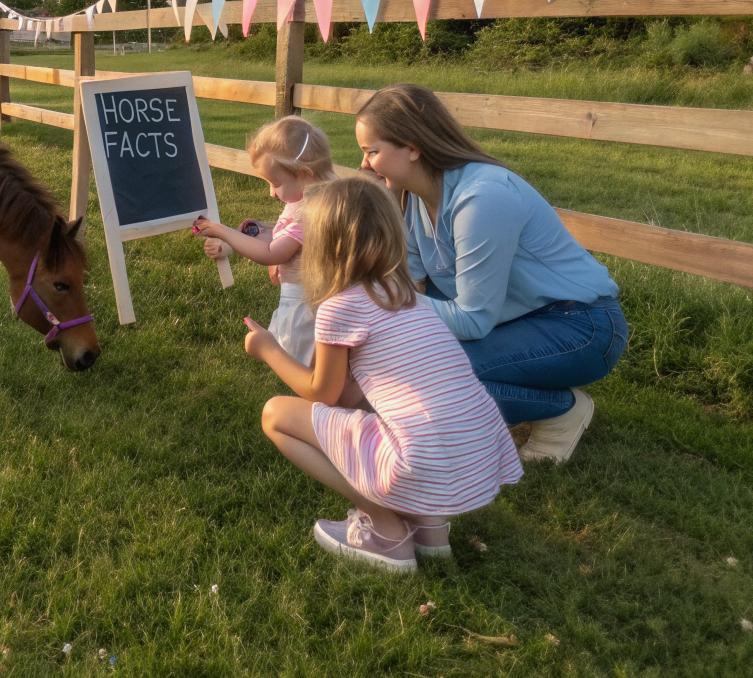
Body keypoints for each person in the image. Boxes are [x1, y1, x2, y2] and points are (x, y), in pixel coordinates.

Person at [245, 176, 522, 572]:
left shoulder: (340, 306)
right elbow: (349, 395)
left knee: (275, 415)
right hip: (473, 452)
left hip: (419, 460)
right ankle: (430, 530)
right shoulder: (408, 295)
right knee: (388, 411)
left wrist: (269, 348)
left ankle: (386, 529)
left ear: (322, 246)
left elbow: (322, 393)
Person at [354, 83, 629, 464]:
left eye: (372, 152)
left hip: (581, 326)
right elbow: (415, 287)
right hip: (516, 323)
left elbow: (470, 320)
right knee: (407, 362)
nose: (364, 164)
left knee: (433, 374)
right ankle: (516, 399)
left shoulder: (482, 197)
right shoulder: (412, 198)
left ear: (413, 146)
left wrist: (375, 301)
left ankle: (560, 409)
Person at [193, 116, 336, 366]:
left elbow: (272, 253)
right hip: (304, 298)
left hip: (307, 305)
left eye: (276, 183)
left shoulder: (312, 213)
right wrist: (237, 240)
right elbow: (280, 235)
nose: (271, 193)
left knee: (302, 366)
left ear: (304, 174)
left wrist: (222, 231)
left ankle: (312, 402)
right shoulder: (305, 202)